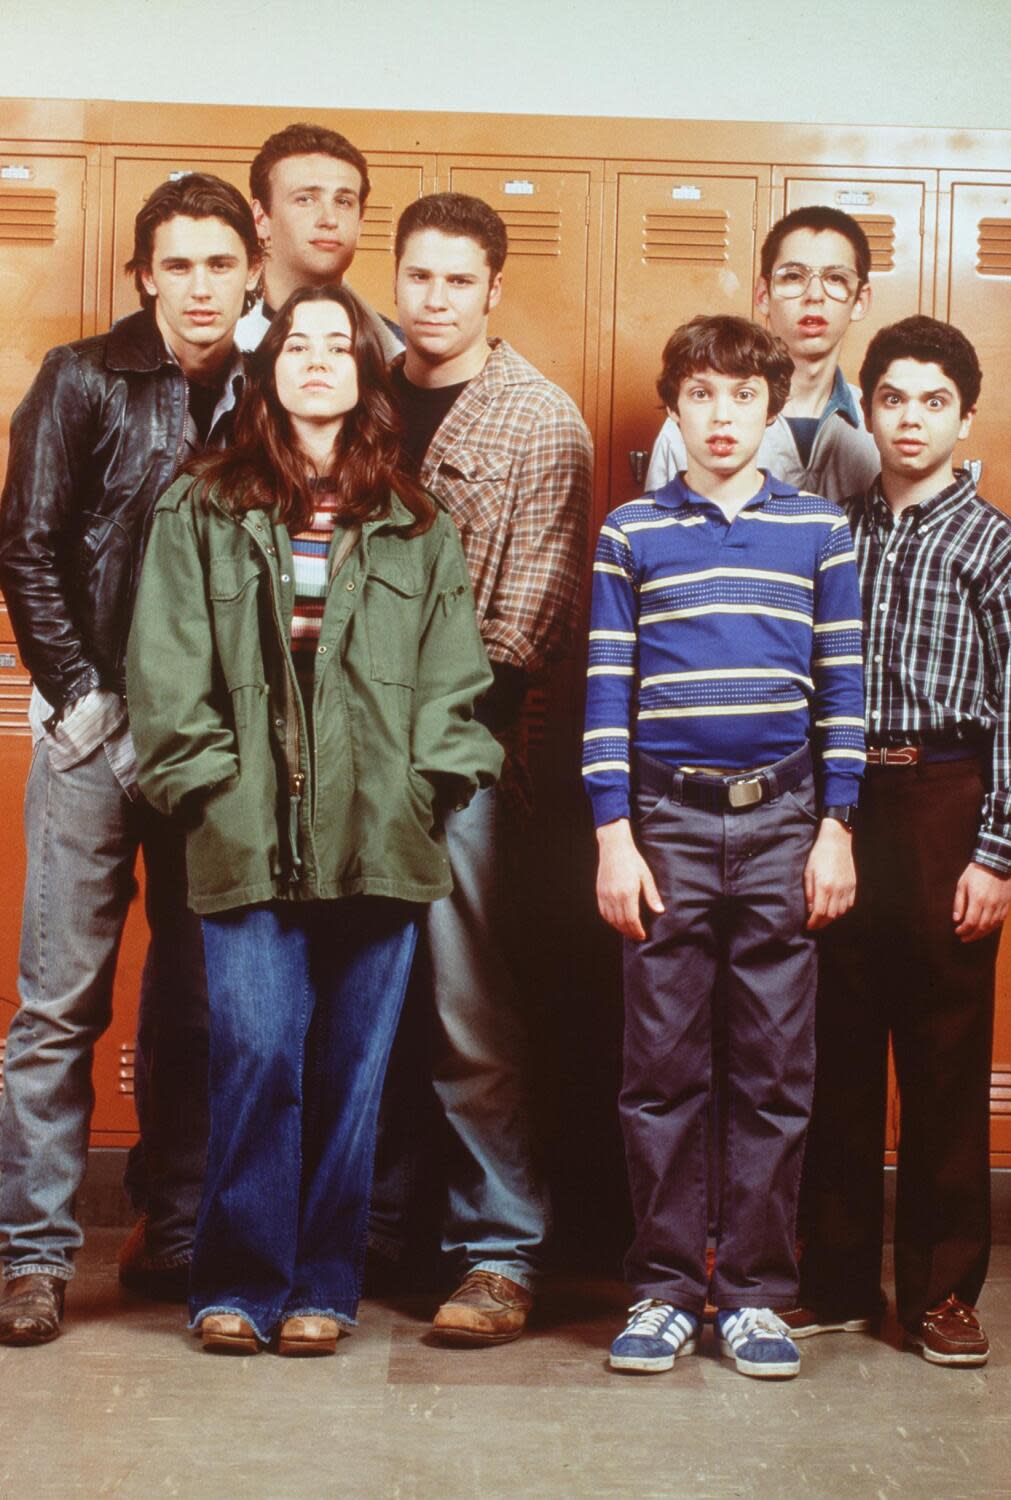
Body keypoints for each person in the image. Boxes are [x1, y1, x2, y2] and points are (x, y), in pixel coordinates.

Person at [125, 284, 502, 1355]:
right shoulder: (201, 503)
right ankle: (237, 1283)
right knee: (255, 1052)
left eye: (342, 346)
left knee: (352, 1070)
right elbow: (163, 668)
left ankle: (323, 1288)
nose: (322, 361)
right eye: (302, 344)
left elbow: (452, 678)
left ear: (366, 374)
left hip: (378, 831)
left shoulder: (414, 520)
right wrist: (203, 788)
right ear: (271, 366)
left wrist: (429, 788)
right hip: (245, 828)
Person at [0, 173, 260, 1346]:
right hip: (97, 734)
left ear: (250, 272)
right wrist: (82, 699)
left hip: (215, 750)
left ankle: (180, 1232)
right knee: (60, 1005)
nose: (200, 287)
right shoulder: (83, 377)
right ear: (145, 275)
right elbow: (29, 542)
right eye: (180, 265)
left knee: (203, 1008)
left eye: (221, 264)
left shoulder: (272, 388)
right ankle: (34, 1257)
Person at [585, 315, 865, 1380]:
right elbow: (606, 688)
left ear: (771, 408)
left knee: (773, 1071)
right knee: (658, 1069)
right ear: (674, 409)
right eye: (699, 396)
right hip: (667, 824)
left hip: (786, 821)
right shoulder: (631, 533)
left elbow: (842, 688)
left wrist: (836, 824)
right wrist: (614, 834)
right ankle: (661, 1286)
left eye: (742, 398)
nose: (720, 417)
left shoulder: (818, 534)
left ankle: (754, 1292)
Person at [373, 192, 592, 1345]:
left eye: (460, 281)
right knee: (348, 1006)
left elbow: (531, 622)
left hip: (461, 759)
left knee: (468, 1014)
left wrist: (428, 749)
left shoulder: (538, 419)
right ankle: (366, 1230)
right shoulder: (349, 383)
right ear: (394, 277)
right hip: (331, 758)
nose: (436, 300)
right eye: (418, 276)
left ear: (494, 289)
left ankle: (500, 1251)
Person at [792, 317, 1009, 1366]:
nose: (910, 417)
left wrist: (996, 853)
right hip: (840, 808)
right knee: (833, 1044)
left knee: (942, 1054)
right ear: (864, 410)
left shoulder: (994, 543)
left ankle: (938, 1291)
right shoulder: (834, 532)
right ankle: (833, 1278)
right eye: (892, 398)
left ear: (965, 417)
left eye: (933, 401)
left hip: (944, 804)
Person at [646, 206, 878, 502]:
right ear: (763, 295)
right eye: (793, 276)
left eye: (835, 278)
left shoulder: (880, 426)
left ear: (860, 300)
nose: (814, 295)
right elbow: (655, 535)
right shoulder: (694, 423)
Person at [236, 121, 401, 360]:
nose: (330, 219)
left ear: (360, 222)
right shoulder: (214, 349)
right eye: (305, 199)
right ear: (260, 219)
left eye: (343, 201)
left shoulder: (397, 354)